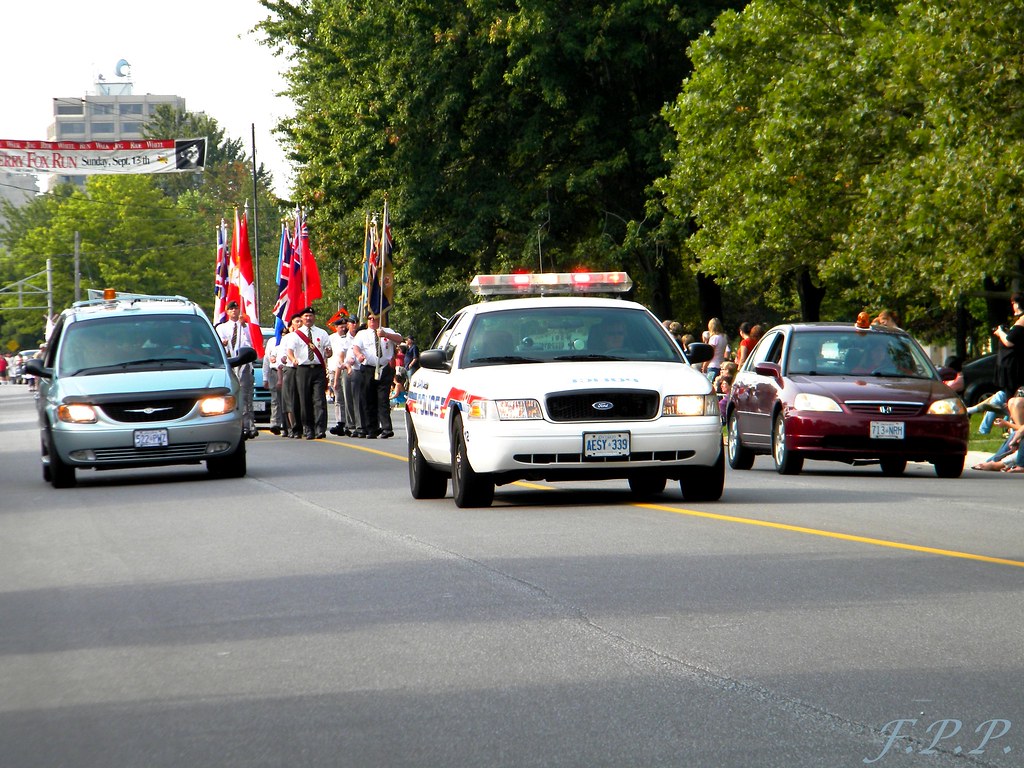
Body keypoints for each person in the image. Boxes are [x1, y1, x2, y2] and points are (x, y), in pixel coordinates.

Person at [281, 306, 332, 439]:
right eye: (305, 316)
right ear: (302, 319)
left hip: (318, 369)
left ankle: (320, 428)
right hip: (302, 369)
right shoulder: (295, 335)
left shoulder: (322, 333)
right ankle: (308, 428)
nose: (308, 318)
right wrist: (293, 359)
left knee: (319, 399)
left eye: (310, 316)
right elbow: (290, 351)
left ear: (314, 317)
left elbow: (329, 350)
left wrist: (328, 353)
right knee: (304, 400)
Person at [349, 314, 403, 438]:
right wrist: (358, 355)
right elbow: (356, 347)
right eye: (370, 319)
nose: (372, 321)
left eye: (375, 318)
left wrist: (386, 335)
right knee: (369, 399)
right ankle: (372, 428)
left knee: (383, 399)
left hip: (384, 368)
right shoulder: (362, 334)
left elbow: (399, 339)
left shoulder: (386, 331)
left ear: (380, 319)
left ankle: (386, 428)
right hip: (368, 368)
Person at [216, 301, 257, 439]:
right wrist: (224, 344)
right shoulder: (222, 328)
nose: (234, 310)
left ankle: (249, 426)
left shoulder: (246, 327)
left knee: (246, 396)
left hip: (244, 364)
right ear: (227, 312)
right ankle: (234, 426)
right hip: (229, 364)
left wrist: (243, 326)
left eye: (236, 308)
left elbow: (251, 343)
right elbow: (219, 345)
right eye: (231, 309)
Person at [330, 316, 360, 436]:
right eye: (340, 326)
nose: (343, 328)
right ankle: (340, 422)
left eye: (344, 326)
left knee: (350, 398)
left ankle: (350, 423)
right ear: (336, 327)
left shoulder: (353, 338)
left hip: (348, 370)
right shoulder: (331, 338)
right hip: (334, 369)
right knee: (339, 399)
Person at [279, 314, 303, 438]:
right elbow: (282, 354)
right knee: (290, 400)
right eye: (297, 321)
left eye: (301, 321)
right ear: (292, 324)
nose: (299, 323)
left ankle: (304, 425)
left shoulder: (308, 336)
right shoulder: (287, 338)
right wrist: (283, 358)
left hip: (304, 370)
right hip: (291, 369)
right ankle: (292, 426)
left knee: (303, 399)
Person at [262, 330, 284, 435]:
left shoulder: (290, 339)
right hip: (274, 372)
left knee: (287, 399)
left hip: (287, 372)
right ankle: (275, 423)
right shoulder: (272, 341)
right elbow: (266, 360)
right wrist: (265, 378)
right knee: (275, 400)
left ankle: (288, 423)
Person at [703, 317, 728, 382]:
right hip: (721, 364)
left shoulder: (714, 338)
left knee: (710, 384)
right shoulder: (724, 337)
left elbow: (710, 353)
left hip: (713, 365)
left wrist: (704, 365)